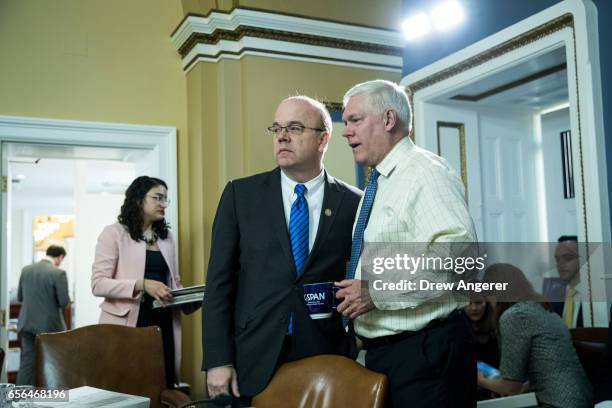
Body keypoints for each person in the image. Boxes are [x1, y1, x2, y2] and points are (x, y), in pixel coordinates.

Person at [202, 95, 362, 406]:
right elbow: (219, 284)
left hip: (325, 355)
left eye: (295, 127)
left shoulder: (353, 203)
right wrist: (218, 360)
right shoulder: (240, 195)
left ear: (323, 139)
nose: (282, 136)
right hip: (252, 356)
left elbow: (356, 276)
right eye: (277, 128)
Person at [336, 79, 478, 407]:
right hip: (391, 356)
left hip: (427, 354)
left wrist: (377, 290)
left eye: (355, 120)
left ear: (389, 120)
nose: (346, 131)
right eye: (346, 122)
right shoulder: (382, 182)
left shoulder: (425, 173)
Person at [91, 176, 186, 389]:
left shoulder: (167, 237)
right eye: (158, 198)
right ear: (137, 200)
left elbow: (174, 281)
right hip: (127, 326)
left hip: (163, 324)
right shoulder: (114, 233)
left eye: (166, 199)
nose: (163, 204)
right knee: (128, 388)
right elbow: (98, 284)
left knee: (163, 386)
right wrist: (142, 284)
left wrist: (188, 297)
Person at [479, 263, 593, 408]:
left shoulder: (514, 316)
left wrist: (480, 380)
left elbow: (510, 387)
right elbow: (547, 368)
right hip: (584, 400)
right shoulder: (544, 310)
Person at [16, 245, 70, 385]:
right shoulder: (58, 273)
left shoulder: (26, 270)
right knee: (53, 365)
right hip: (50, 327)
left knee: (27, 364)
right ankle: (51, 401)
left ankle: (19, 400)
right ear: (60, 257)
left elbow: (20, 297)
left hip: (26, 324)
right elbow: (64, 302)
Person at [464, 291, 500, 400]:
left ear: (486, 303)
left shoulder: (497, 329)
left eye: (478, 302)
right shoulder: (457, 333)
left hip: (497, 391)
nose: (474, 308)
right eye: (468, 303)